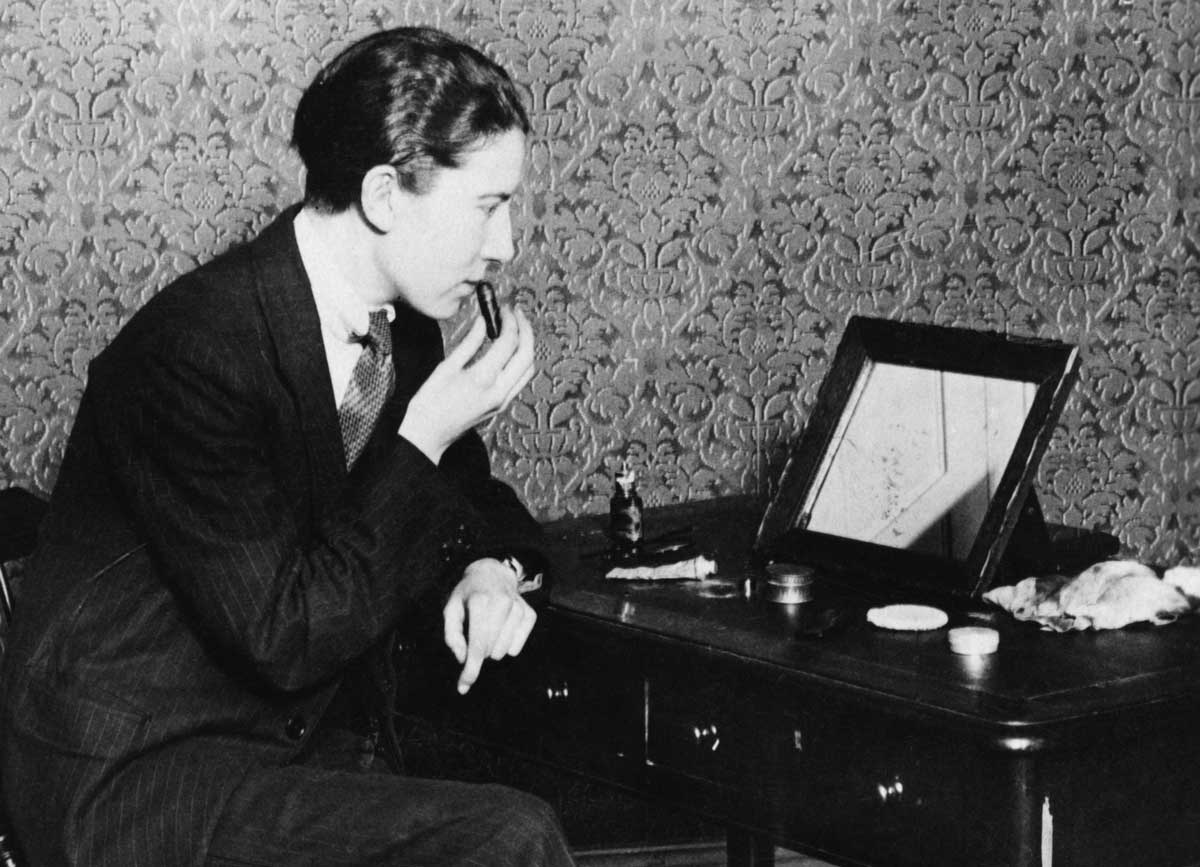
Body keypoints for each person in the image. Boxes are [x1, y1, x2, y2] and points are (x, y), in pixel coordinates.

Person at [0, 26, 575, 867]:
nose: (506, 246)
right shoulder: (191, 353)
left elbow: (464, 496)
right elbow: (285, 633)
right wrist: (421, 434)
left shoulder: (400, 331)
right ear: (384, 196)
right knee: (508, 838)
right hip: (133, 776)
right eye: (488, 205)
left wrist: (491, 568)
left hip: (288, 745)